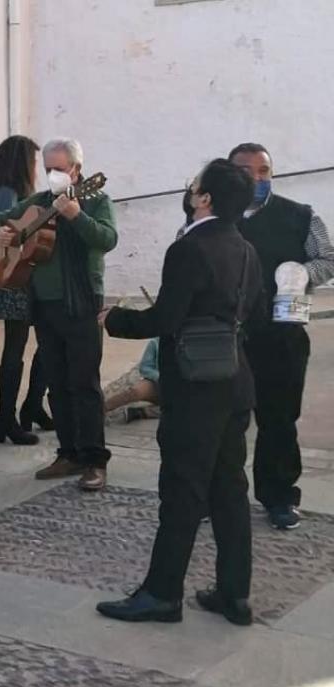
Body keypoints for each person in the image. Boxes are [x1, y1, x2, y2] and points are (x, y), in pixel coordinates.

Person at [96, 159, 263, 626]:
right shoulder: (247, 249)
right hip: (234, 381)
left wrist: (115, 320)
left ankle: (162, 593)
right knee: (229, 490)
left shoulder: (189, 248)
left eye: (195, 185)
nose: (189, 189)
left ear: (204, 198)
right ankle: (235, 593)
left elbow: (166, 320)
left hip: (195, 387)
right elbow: (255, 310)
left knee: (183, 490)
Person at [0, 137, 118, 491]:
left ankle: (94, 459)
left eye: (60, 169)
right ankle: (69, 452)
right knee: (57, 383)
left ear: (76, 169)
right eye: (48, 169)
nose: (53, 175)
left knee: (85, 384)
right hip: (43, 305)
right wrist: (0, 232)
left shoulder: (95, 199)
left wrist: (77, 217)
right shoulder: (40, 202)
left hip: (81, 302)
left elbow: (107, 239)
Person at [230, 143, 334, 530]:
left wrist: (302, 275)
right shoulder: (212, 214)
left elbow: (328, 257)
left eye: (264, 171)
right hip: (228, 338)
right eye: (246, 170)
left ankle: (279, 497)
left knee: (278, 420)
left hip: (282, 335)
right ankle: (219, 494)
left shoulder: (300, 216)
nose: (256, 178)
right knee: (224, 422)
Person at [0, 134, 50, 445]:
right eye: (32, 161)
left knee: (29, 345)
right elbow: (6, 232)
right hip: (11, 276)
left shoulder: (4, 188)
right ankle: (7, 418)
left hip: (12, 274)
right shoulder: (8, 192)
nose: (36, 167)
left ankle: (28, 408)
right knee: (15, 350)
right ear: (21, 163)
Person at [104, 339, 160, 417]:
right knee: (134, 392)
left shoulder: (182, 344)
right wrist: (160, 377)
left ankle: (142, 412)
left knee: (178, 409)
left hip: (177, 391)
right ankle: (101, 409)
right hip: (157, 384)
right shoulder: (155, 342)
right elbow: (145, 368)